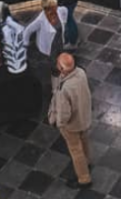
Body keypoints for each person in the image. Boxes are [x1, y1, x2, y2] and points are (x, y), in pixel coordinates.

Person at [48, 53, 93, 190]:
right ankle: (87, 162)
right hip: (84, 117)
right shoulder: (81, 73)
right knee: (84, 140)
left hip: (72, 125)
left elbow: (64, 113)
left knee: (75, 150)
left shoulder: (65, 88)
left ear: (62, 69)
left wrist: (59, 124)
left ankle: (84, 178)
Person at [26, 0, 67, 115]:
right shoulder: (41, 19)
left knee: (59, 63)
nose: (56, 8)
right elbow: (28, 30)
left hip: (59, 44)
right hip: (49, 49)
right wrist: (25, 44)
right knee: (53, 66)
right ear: (46, 10)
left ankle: (58, 83)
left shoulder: (62, 11)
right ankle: (55, 89)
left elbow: (64, 20)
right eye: (53, 7)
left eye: (56, 6)